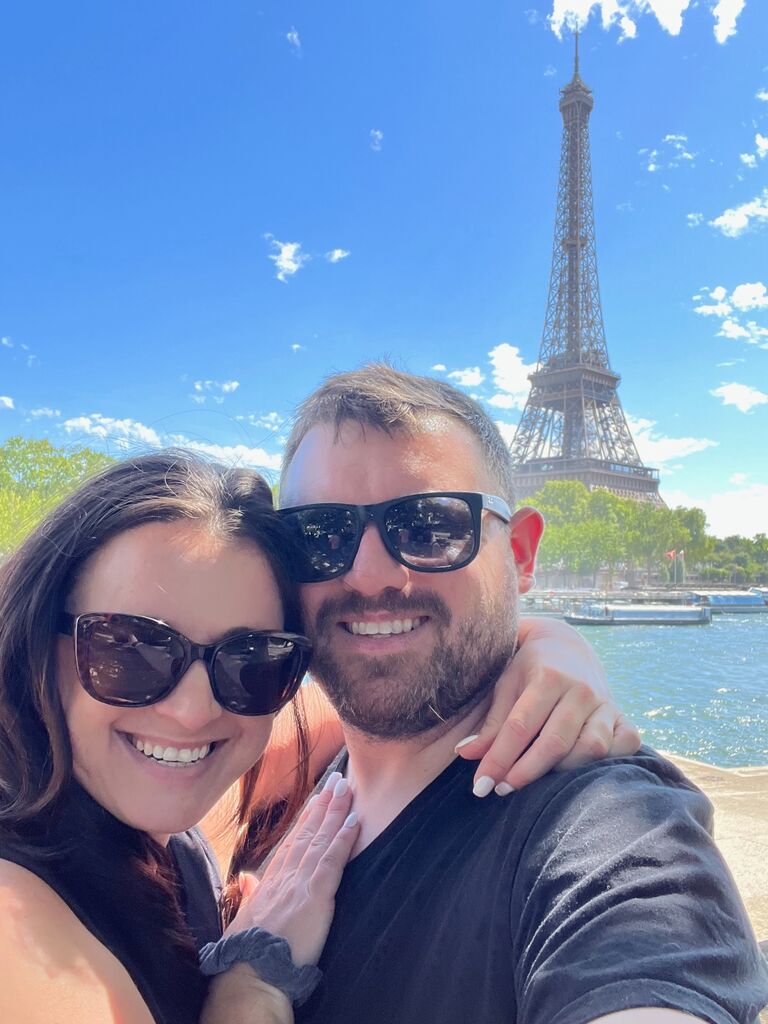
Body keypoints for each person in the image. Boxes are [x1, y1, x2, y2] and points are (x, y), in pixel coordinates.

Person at [0, 448, 634, 1024]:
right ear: (34, 641)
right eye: (133, 650)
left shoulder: (153, 804)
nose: (193, 712)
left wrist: (541, 643)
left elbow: (377, 713)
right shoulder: (17, 928)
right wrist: (252, 982)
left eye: (253, 660)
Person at [240, 363, 764, 1024]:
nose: (369, 574)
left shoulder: (610, 826)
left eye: (430, 527)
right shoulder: (294, 761)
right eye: (319, 536)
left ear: (519, 553)